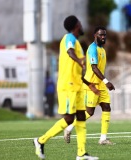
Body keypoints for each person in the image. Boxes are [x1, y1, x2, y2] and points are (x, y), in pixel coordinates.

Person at [33, 15, 98, 160]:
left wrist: (89, 85)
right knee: (69, 119)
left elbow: (76, 69)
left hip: (77, 86)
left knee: (81, 116)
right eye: (80, 23)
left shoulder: (77, 43)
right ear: (76, 25)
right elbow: (70, 52)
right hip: (67, 86)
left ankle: (81, 153)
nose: (82, 25)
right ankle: (40, 141)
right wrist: (80, 59)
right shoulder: (69, 38)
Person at [64, 26, 115, 145]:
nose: (103, 37)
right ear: (95, 36)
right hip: (91, 85)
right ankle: (69, 127)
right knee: (89, 112)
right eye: (101, 35)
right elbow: (94, 68)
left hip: (101, 85)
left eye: (104, 35)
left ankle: (103, 139)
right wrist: (107, 81)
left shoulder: (102, 50)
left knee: (107, 108)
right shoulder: (92, 49)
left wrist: (104, 82)